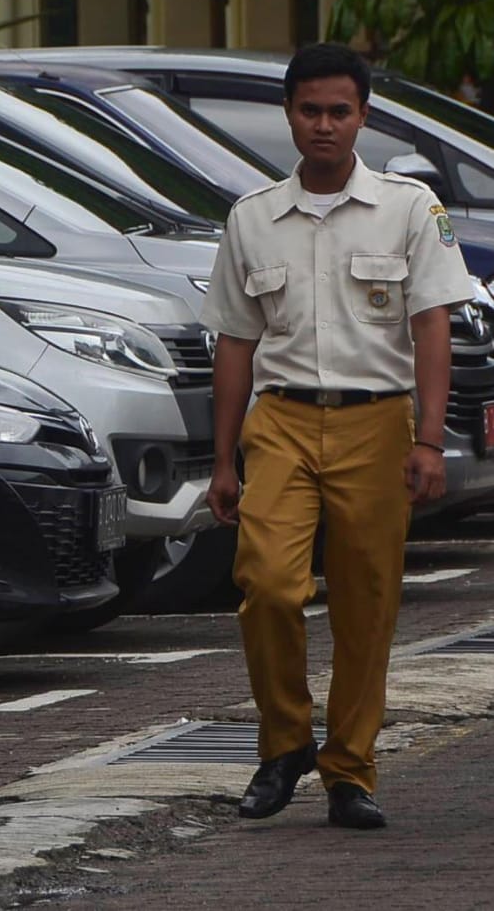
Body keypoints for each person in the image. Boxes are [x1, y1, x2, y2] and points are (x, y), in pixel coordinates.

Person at [201, 42, 470, 830]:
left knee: (366, 602)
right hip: (279, 419)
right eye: (309, 110)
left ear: (363, 117)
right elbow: (233, 343)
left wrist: (426, 439)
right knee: (269, 584)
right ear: (288, 115)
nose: (323, 125)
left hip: (377, 422)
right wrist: (221, 458)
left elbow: (430, 327)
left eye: (339, 111)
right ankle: (284, 739)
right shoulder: (251, 217)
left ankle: (348, 769)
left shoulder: (409, 208)